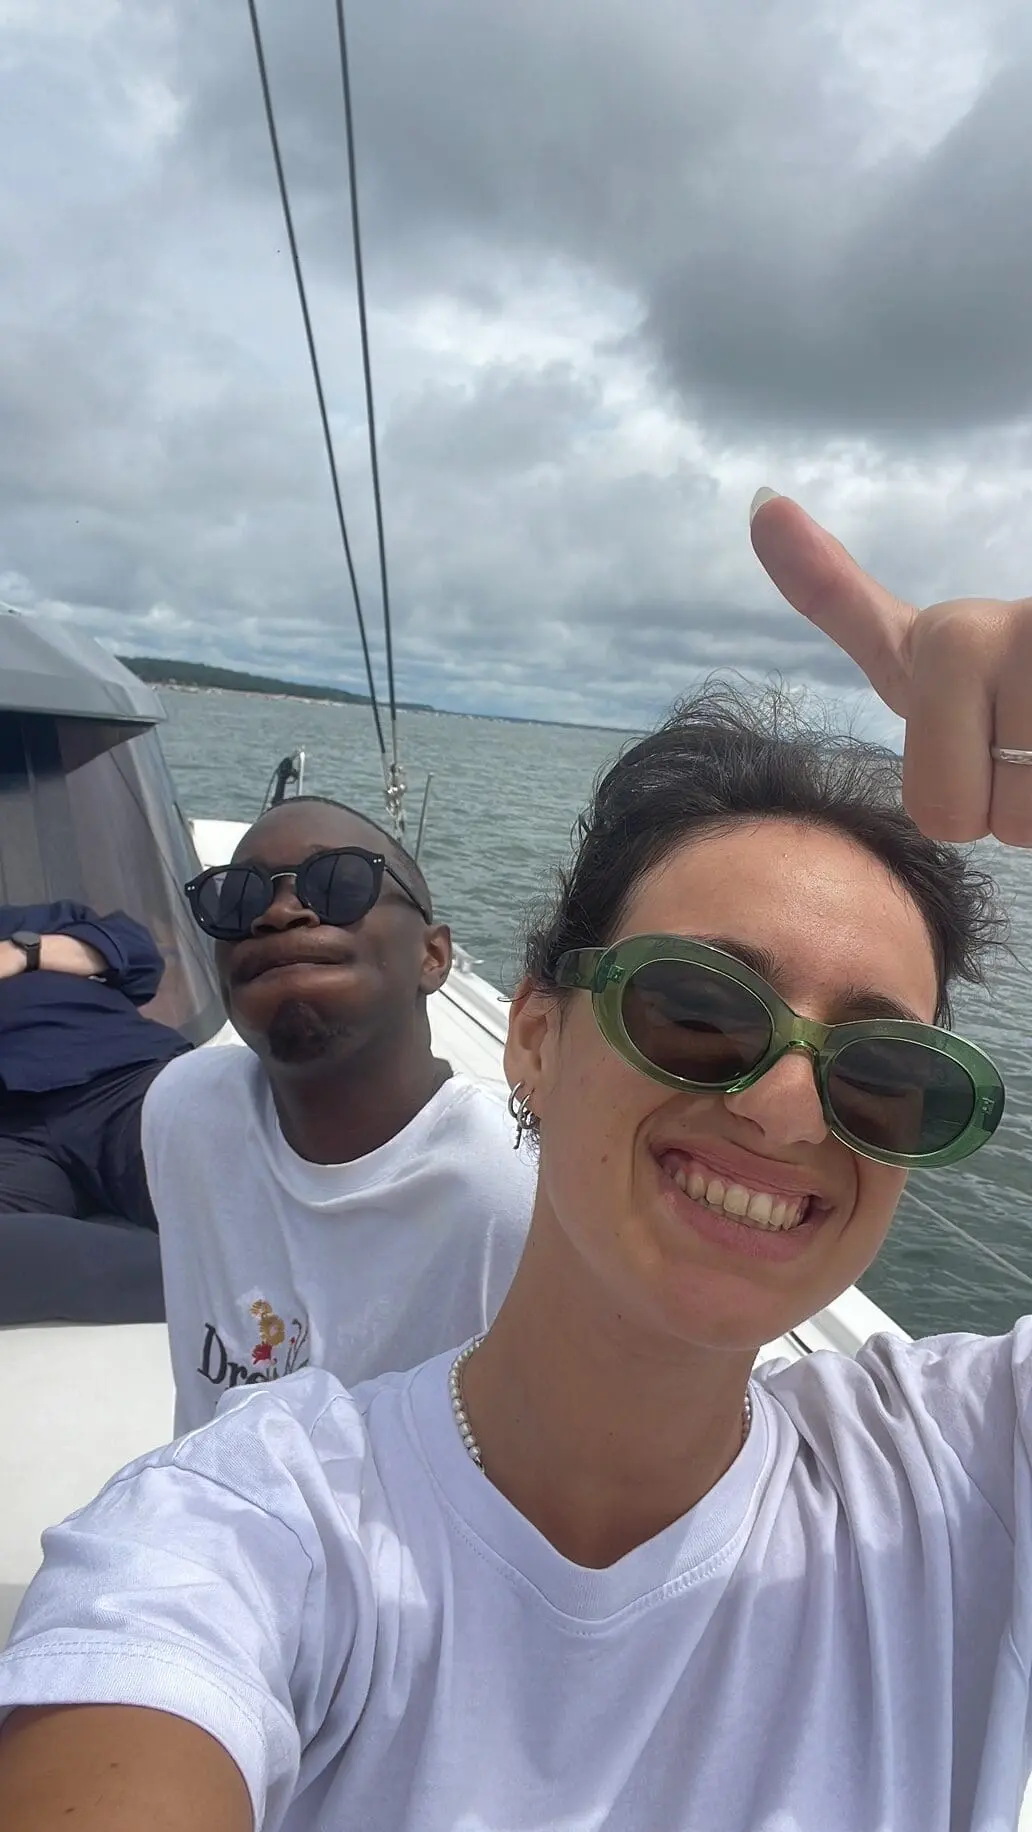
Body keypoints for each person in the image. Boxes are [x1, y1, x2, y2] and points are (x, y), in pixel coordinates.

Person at [3, 489, 1032, 1832]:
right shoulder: (246, 1533)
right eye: (696, 1009)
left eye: (884, 1074)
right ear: (535, 1037)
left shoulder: (965, 1484)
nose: (790, 1112)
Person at [142, 795, 535, 1430]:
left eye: (338, 882)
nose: (277, 913)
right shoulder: (184, 1111)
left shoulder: (514, 1190)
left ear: (433, 956)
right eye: (237, 899)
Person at [0, 901, 190, 1325]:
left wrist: (23, 952)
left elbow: (139, 956)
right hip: (12, 1138)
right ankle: (197, 1282)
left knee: (228, 1185)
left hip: (120, 1083)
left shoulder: (39, 921)